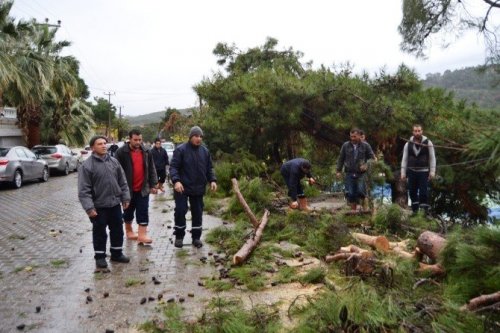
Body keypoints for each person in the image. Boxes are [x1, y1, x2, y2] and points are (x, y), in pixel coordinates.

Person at [78, 135, 131, 269]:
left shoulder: (114, 162)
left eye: (104, 143)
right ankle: (100, 257)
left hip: (114, 204)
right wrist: (89, 208)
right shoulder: (87, 166)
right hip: (98, 206)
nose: (103, 146)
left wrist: (125, 197)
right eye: (100, 144)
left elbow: (122, 181)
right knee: (100, 232)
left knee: (117, 230)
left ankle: (116, 253)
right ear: (92, 148)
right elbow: (84, 190)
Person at [169, 126, 217, 248]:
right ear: (191, 137)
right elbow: (173, 167)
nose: (199, 138)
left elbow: (209, 168)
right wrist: (176, 181)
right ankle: (179, 237)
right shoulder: (181, 150)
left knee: (197, 212)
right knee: (180, 211)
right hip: (182, 187)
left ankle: (196, 238)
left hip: (198, 187)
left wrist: (212, 180)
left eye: (200, 136)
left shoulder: (205, 151)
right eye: (196, 136)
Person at [115, 129, 158, 244]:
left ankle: (142, 235)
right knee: (128, 211)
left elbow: (152, 168)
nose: (138, 142)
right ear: (129, 139)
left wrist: (154, 184)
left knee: (143, 211)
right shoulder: (121, 152)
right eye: (135, 140)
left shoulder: (147, 151)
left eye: (140, 139)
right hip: (127, 190)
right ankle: (129, 231)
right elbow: (115, 171)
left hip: (143, 189)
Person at [336, 128, 375, 212]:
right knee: (350, 193)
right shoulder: (345, 145)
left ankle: (365, 209)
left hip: (361, 173)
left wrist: (366, 165)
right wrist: (338, 170)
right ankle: (353, 212)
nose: (352, 138)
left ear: (360, 136)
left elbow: (372, 158)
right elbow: (341, 158)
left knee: (361, 191)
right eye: (351, 136)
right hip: (349, 172)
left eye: (354, 136)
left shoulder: (365, 145)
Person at [400, 124, 436, 214]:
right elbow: (404, 159)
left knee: (423, 192)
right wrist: (403, 173)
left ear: (422, 131)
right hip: (411, 172)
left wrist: (432, 171)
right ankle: (415, 212)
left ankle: (424, 213)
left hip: (423, 172)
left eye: (419, 131)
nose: (417, 133)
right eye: (415, 131)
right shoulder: (408, 144)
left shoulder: (428, 143)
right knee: (412, 192)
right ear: (413, 132)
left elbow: (432, 158)